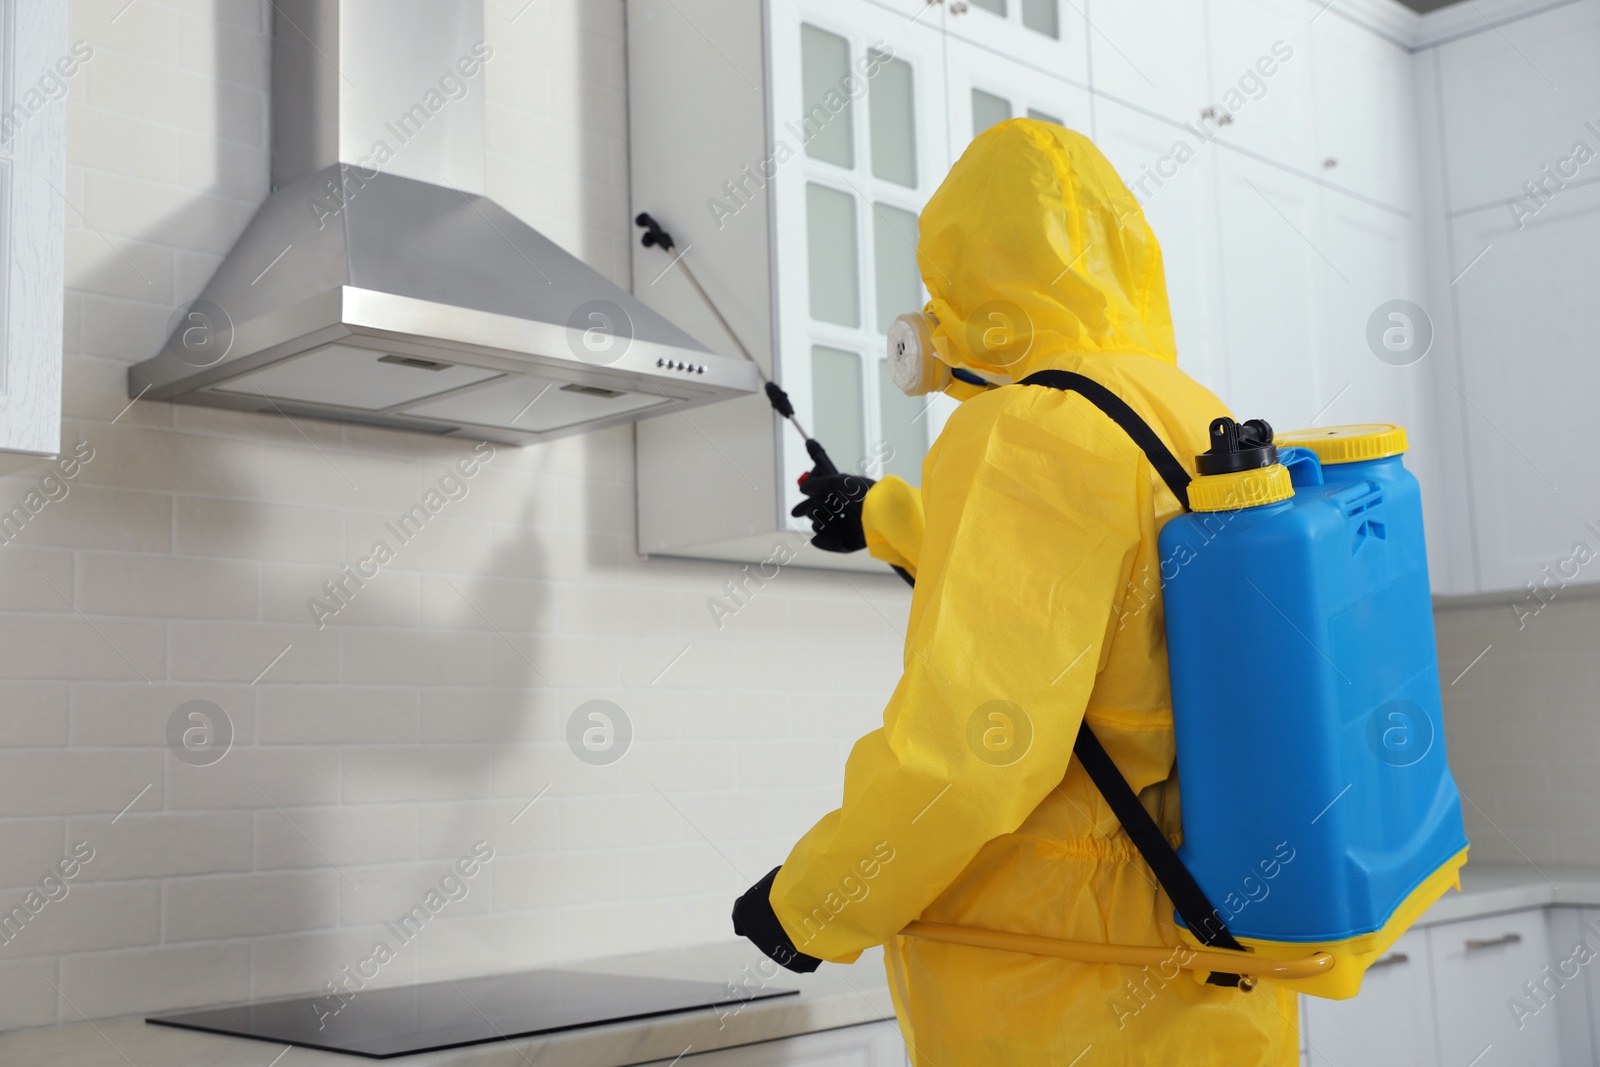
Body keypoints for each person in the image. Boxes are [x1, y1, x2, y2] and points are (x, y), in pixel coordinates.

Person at [732, 118, 1300, 1064]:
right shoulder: (1178, 406)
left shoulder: (1027, 428)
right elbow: (1098, 589)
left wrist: (814, 902)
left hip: (1066, 985)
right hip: (1204, 964)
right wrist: (880, 514)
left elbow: (974, 747)